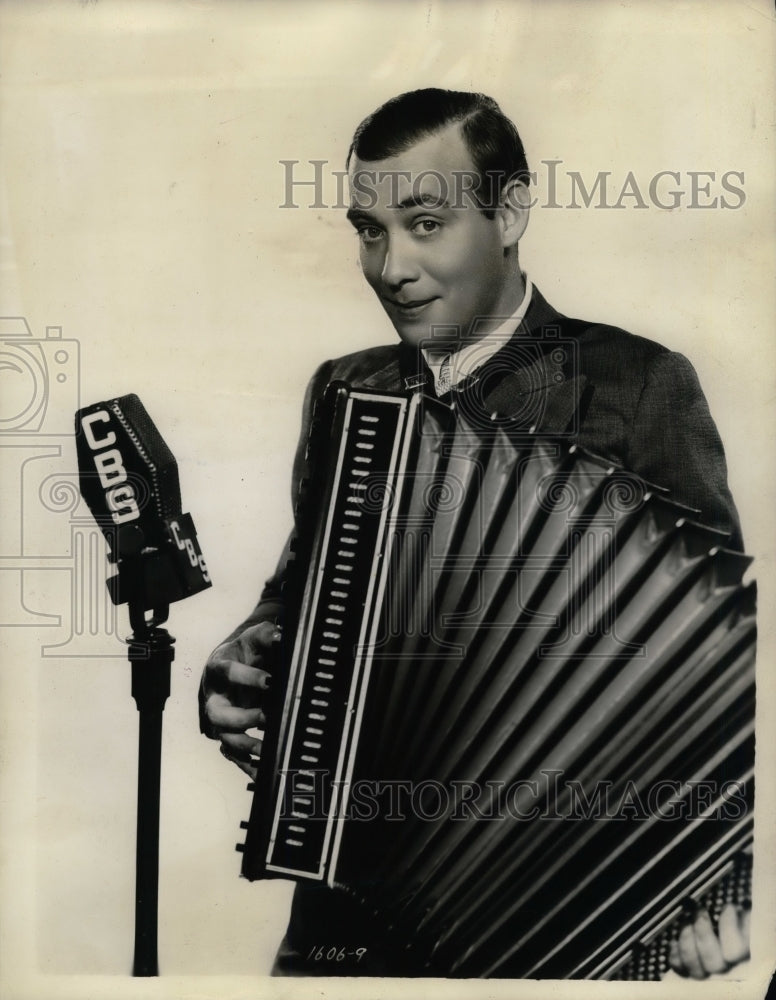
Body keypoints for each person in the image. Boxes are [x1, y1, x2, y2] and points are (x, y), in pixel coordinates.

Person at [199, 89, 748, 978]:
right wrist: (248, 652)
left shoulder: (637, 384)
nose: (392, 267)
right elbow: (299, 592)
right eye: (369, 230)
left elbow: (723, 670)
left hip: (559, 919)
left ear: (511, 211)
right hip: (350, 911)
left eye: (426, 223)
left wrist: (720, 881)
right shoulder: (345, 390)